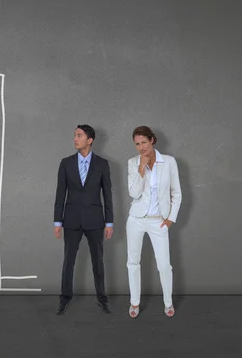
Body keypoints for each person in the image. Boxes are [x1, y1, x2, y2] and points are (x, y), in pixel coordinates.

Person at [53, 125, 114, 315]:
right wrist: (57, 222)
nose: (75, 138)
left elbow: (108, 195)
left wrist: (109, 223)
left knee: (98, 261)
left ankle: (102, 299)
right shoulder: (66, 163)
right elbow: (60, 195)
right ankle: (64, 299)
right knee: (68, 261)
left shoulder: (102, 164)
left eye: (79, 135)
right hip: (71, 220)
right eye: (74, 135)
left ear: (90, 140)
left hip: (95, 220)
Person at [126, 126, 181, 318]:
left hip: (159, 221)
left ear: (152, 140)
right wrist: (141, 167)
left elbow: (177, 193)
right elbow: (134, 193)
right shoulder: (133, 163)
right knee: (133, 262)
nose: (141, 147)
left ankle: (168, 302)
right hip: (136, 220)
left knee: (164, 265)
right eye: (137, 144)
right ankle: (134, 302)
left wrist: (170, 218)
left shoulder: (169, 162)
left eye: (143, 142)